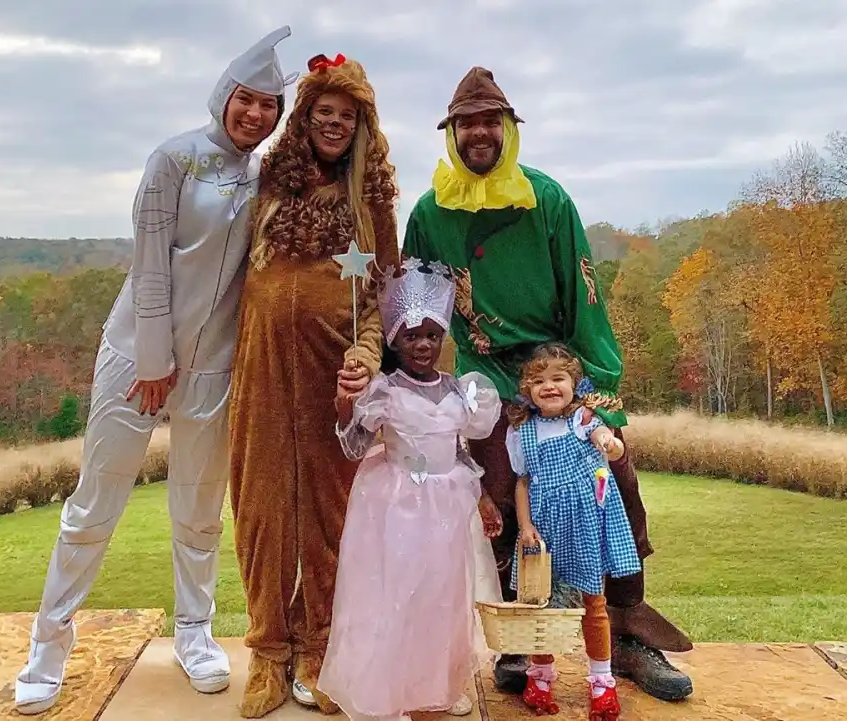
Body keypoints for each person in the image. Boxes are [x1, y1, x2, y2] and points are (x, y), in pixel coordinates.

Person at [12, 27, 297, 716]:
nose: (255, 115)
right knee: (93, 506)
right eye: (246, 100)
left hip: (214, 369)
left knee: (198, 510)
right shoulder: (173, 159)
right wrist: (152, 361)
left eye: (269, 106)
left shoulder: (268, 177)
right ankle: (48, 645)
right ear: (223, 97)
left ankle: (194, 634)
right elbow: (150, 262)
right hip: (137, 360)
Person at [401, 66, 695, 702]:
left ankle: (625, 633)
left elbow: (584, 295)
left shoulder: (548, 199)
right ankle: (520, 638)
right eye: (466, 123)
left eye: (491, 121)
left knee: (612, 478)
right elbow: (416, 303)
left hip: (556, 362)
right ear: (450, 134)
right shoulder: (428, 212)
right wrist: (402, 381)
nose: (479, 132)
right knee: (499, 494)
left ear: (509, 130)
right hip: (486, 370)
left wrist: (593, 387)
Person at [228, 54, 400, 719]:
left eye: (346, 116)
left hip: (335, 373)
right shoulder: (267, 180)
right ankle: (269, 651)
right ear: (305, 117)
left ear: (361, 126)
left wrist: (365, 355)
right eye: (324, 112)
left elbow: (381, 294)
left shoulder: (372, 198)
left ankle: (320, 649)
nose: (333, 124)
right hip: (260, 367)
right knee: (261, 509)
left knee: (333, 515)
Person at [317, 258, 502, 721]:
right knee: (397, 594)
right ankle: (389, 691)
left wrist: (482, 496)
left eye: (432, 335)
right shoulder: (383, 390)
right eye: (411, 335)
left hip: (447, 507)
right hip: (396, 505)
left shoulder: (461, 392)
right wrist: (345, 409)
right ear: (395, 339)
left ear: (443, 338)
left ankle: (438, 683)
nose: (423, 345)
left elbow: (458, 450)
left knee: (442, 596)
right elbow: (355, 447)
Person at [509, 343, 641, 719]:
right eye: (538, 381)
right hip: (545, 527)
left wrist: (609, 443)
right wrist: (525, 526)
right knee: (540, 603)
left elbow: (606, 444)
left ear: (574, 384)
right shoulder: (523, 431)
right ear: (527, 390)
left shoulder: (583, 420)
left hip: (584, 521)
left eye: (558, 378)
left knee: (593, 602)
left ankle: (601, 681)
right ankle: (541, 675)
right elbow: (522, 482)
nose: (549, 387)